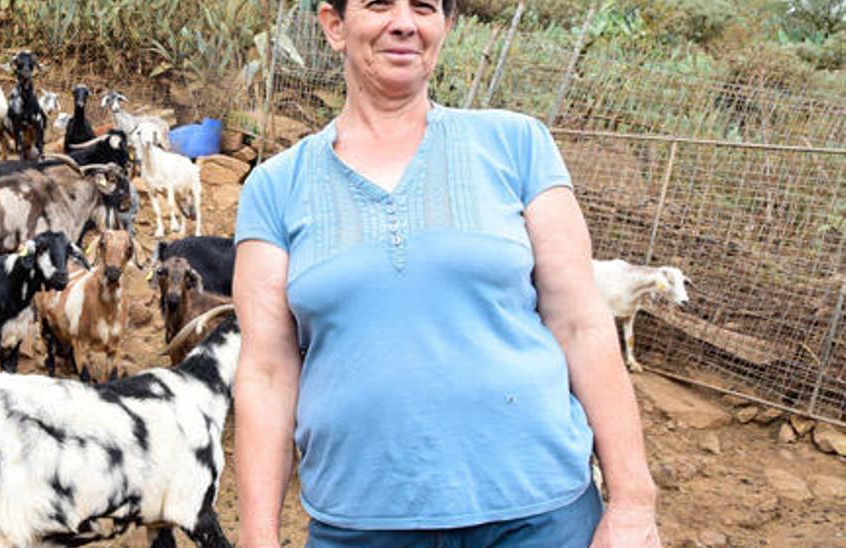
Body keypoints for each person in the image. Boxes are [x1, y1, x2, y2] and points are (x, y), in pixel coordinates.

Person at [232, 1, 662, 546]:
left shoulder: (517, 144)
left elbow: (580, 321)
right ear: (334, 25)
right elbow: (267, 371)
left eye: (425, 7)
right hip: (364, 524)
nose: (405, 22)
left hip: (542, 515)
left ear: (445, 27)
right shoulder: (276, 187)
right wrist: (257, 535)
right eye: (379, 4)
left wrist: (631, 502)